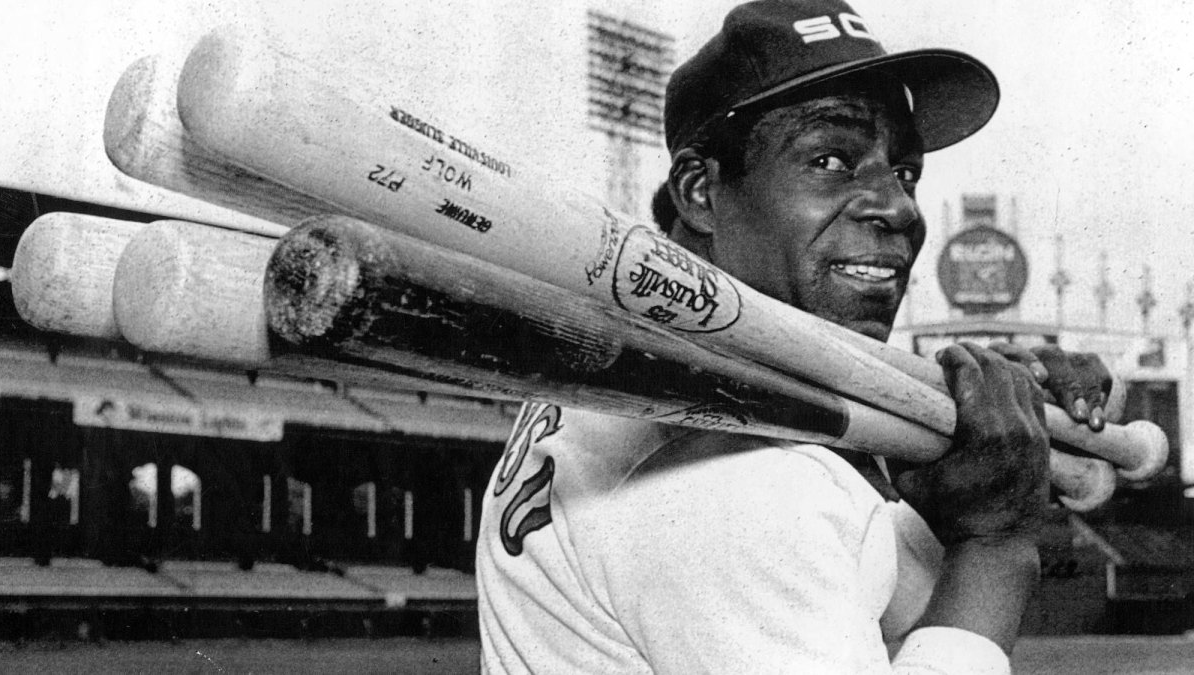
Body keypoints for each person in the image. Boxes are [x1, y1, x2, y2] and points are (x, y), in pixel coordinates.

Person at [476, 0, 1111, 672]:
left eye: (904, 171)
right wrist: (996, 544)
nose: (899, 206)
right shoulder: (726, 476)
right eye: (832, 158)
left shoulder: (628, 386)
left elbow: (828, 577)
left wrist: (982, 472)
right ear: (700, 191)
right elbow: (769, 534)